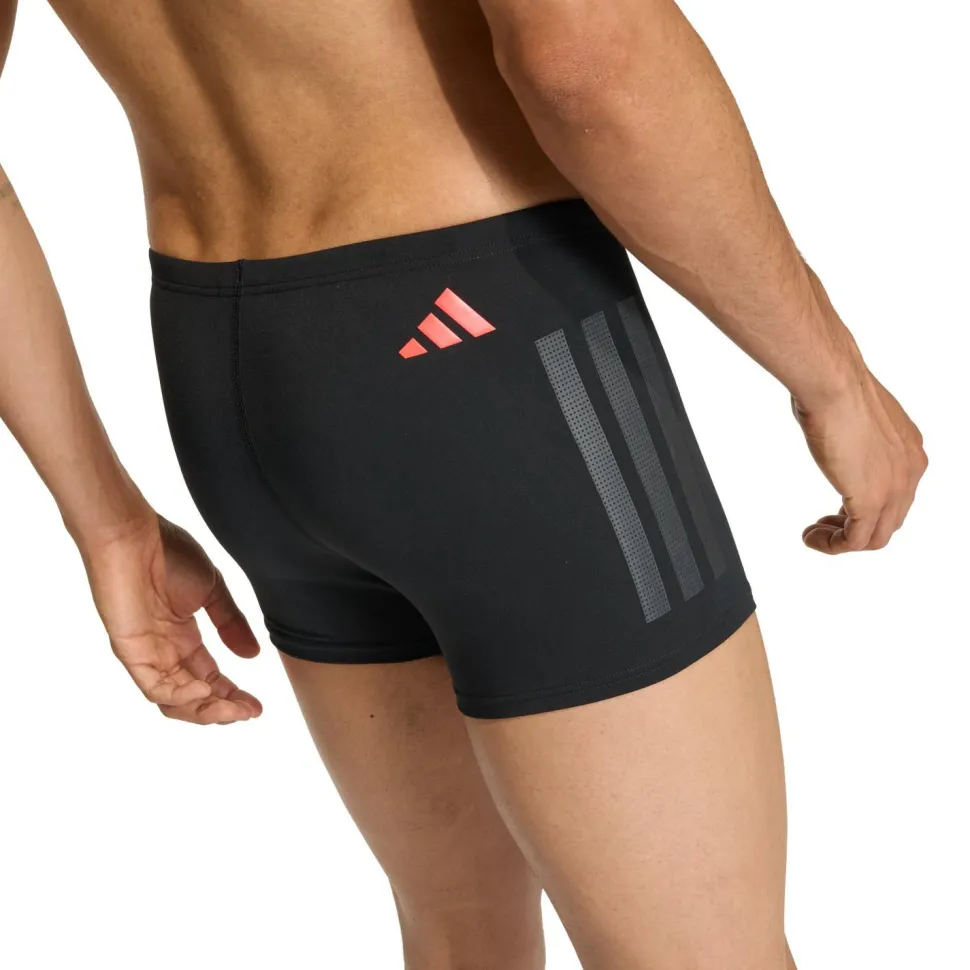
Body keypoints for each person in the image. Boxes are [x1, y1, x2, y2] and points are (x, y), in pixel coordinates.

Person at [0, 0, 927, 967]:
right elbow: (587, 59)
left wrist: (106, 521)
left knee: (460, 942)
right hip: (491, 346)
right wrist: (834, 379)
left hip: (231, 375)